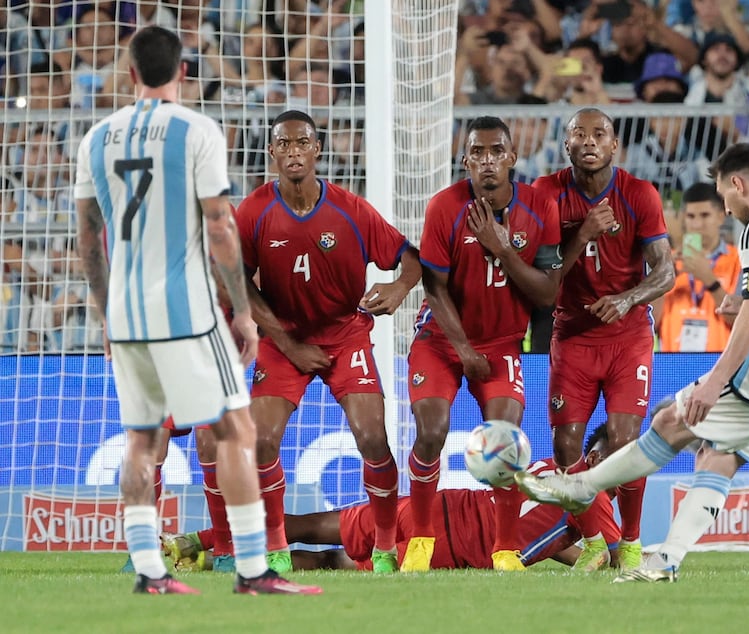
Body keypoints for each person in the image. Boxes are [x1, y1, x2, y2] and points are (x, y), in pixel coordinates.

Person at [517, 143, 749, 583]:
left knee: (673, 421)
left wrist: (714, 382)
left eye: (723, 197)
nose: (727, 211)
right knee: (717, 456)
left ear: (736, 183)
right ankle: (666, 560)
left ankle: (580, 487)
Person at [73, 25, 321, 595]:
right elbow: (218, 225)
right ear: (182, 73)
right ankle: (254, 570)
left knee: (141, 440)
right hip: (186, 310)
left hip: (129, 317)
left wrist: (108, 312)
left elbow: (87, 238)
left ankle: (148, 571)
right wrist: (239, 311)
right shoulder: (196, 130)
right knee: (235, 430)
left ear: (131, 73)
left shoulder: (97, 138)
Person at [233, 109, 422, 575]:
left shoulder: (350, 209)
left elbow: (410, 257)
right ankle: (275, 547)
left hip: (345, 334)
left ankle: (383, 547)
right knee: (261, 441)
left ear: (317, 150)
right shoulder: (254, 210)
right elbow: (235, 280)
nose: (293, 152)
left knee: (373, 437)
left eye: (303, 143)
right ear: (272, 151)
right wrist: (285, 341)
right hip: (282, 340)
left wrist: (398, 289)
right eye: (284, 144)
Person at [403, 116, 562, 572]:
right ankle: (420, 538)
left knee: (506, 440)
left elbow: (548, 295)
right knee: (431, 431)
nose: (487, 162)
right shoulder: (443, 207)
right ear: (466, 159)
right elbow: (434, 288)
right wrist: (465, 351)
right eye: (477, 153)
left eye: (496, 152)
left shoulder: (539, 208)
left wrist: (503, 248)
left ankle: (505, 548)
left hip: (501, 345)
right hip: (441, 341)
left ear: (512, 157)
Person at [167, 425, 625, 573]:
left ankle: (204, 542)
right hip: (449, 548)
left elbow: (548, 535)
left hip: (431, 509)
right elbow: (612, 557)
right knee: (333, 563)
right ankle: (210, 560)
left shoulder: (547, 465)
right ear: (596, 457)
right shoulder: (594, 491)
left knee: (308, 524)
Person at [532, 108, 675, 575]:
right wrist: (585, 233)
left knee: (625, 439)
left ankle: (630, 543)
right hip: (571, 334)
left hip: (627, 335)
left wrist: (629, 298)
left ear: (615, 146)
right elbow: (544, 278)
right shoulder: (545, 194)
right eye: (579, 134)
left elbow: (666, 271)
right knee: (566, 445)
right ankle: (595, 540)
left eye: (600, 134)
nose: (589, 141)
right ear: (566, 145)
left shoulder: (639, 195)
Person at [653, 182, 740, 352]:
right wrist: (663, 281)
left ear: (721, 216)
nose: (697, 224)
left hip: (719, 366)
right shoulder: (667, 262)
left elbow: (740, 321)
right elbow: (649, 324)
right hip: (673, 366)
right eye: (691, 216)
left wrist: (709, 280)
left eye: (705, 215)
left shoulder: (738, 260)